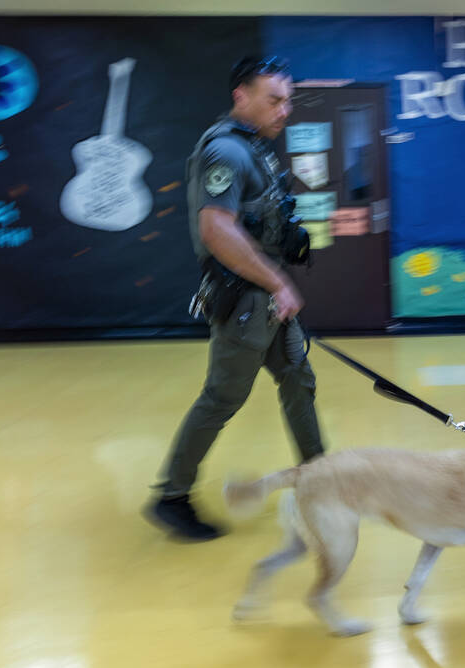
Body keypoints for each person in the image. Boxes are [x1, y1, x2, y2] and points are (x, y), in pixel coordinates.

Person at [144, 56, 324, 542]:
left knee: (298, 379)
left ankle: (321, 482)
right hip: (247, 302)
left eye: (288, 100)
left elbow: (253, 219)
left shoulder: (254, 148)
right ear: (240, 97)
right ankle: (170, 497)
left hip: (265, 298)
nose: (284, 109)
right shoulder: (224, 151)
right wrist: (278, 283)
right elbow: (216, 228)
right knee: (222, 398)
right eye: (274, 99)